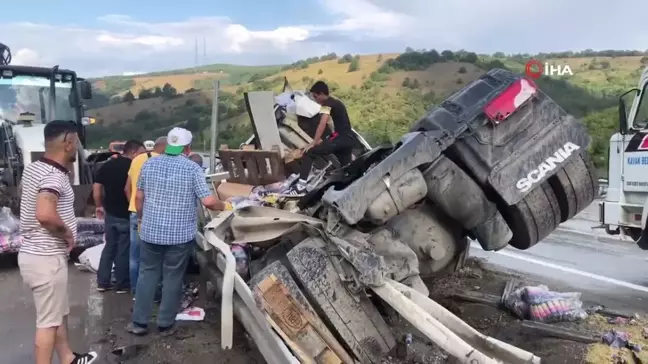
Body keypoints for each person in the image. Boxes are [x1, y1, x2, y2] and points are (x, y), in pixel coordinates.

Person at [126, 127, 226, 336]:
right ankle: (165, 323)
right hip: (179, 235)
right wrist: (227, 206)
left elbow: (138, 198)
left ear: (169, 144)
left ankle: (139, 323)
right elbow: (208, 201)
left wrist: (143, 219)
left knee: (147, 274)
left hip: (151, 231)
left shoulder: (149, 164)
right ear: (187, 148)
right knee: (173, 277)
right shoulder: (192, 169)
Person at [18, 120, 98, 364]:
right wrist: (67, 233)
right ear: (68, 143)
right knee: (47, 325)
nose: (78, 148)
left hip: (36, 255)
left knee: (57, 315)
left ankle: (68, 358)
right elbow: (44, 214)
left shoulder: (35, 168)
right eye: (77, 143)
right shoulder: (54, 175)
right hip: (46, 259)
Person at [93, 140, 145, 293]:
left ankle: (102, 282)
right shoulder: (133, 167)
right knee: (124, 249)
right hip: (126, 214)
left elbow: (96, 190)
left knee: (109, 247)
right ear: (134, 152)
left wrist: (99, 206)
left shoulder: (107, 165)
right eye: (141, 153)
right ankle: (122, 284)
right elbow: (129, 190)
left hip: (110, 214)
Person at [125, 137, 166, 295]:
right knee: (155, 257)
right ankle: (154, 293)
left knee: (135, 256)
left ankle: (136, 291)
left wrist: (133, 205)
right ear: (163, 148)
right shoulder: (162, 161)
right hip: (153, 213)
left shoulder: (136, 160)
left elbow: (127, 188)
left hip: (135, 212)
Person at [297, 80, 355, 182]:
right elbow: (339, 130)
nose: (315, 100)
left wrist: (314, 142)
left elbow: (322, 123)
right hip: (348, 139)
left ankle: (300, 186)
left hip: (340, 139)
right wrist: (325, 140)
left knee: (310, 153)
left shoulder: (326, 105)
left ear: (322, 94)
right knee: (347, 170)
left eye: (315, 96)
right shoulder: (336, 102)